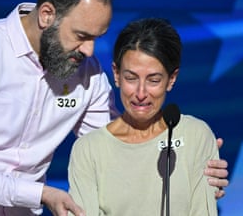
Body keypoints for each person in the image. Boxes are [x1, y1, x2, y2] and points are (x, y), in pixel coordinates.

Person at [0, 0, 228, 216]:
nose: (90, 51)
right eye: (81, 35)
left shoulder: (87, 72)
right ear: (47, 14)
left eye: (97, 37)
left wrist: (185, 154)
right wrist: (41, 194)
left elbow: (116, 145)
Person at [68, 18, 220, 215]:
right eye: (131, 78)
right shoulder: (88, 150)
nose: (140, 93)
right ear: (116, 74)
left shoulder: (196, 136)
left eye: (153, 80)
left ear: (171, 79)